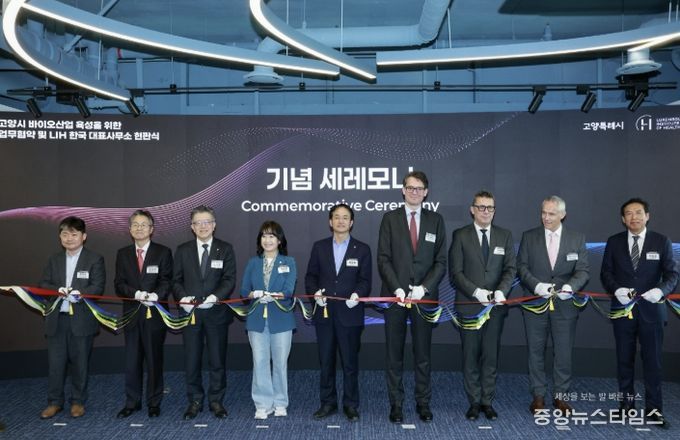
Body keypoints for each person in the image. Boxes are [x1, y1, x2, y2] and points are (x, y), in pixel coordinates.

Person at [601, 197, 678, 429]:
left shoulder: (661, 241)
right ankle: (626, 405)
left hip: (652, 311)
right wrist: (617, 290)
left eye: (638, 212)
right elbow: (606, 273)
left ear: (647, 216)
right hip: (623, 310)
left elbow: (672, 274)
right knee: (624, 360)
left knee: (653, 362)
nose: (633, 217)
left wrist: (660, 291)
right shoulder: (614, 242)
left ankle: (654, 410)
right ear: (623, 219)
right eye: (628, 213)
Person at [377, 170, 447, 423]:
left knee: (423, 354)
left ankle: (423, 403)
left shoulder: (436, 220)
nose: (414, 192)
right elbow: (383, 258)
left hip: (424, 298)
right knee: (394, 355)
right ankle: (396, 404)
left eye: (419, 188)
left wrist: (424, 288)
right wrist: (397, 288)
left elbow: (440, 261)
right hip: (395, 297)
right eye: (410, 187)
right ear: (403, 190)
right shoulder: (390, 219)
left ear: (426, 192)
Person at [517, 196, 589, 415]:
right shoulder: (529, 237)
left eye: (551, 213)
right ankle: (538, 395)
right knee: (535, 351)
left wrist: (570, 287)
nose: (546, 218)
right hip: (535, 303)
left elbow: (583, 270)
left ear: (563, 215)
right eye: (543, 213)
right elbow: (521, 267)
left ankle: (561, 396)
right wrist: (536, 285)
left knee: (563, 352)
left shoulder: (577, 238)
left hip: (565, 306)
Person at [448, 190, 516, 421]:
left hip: (495, 308)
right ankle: (474, 402)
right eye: (481, 207)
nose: (486, 211)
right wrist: (476, 292)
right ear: (472, 209)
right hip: (469, 305)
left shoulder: (505, 236)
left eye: (490, 208)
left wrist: (501, 291)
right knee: (470, 356)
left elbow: (510, 269)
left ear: (494, 211)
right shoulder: (460, 235)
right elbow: (455, 273)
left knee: (490, 355)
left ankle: (487, 401)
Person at [305, 204, 372, 422]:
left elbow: (365, 280)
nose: (341, 221)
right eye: (336, 217)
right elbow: (310, 277)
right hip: (324, 314)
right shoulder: (319, 247)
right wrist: (315, 293)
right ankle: (328, 403)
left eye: (345, 217)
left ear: (351, 223)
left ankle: (351, 405)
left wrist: (357, 294)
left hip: (350, 315)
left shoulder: (362, 249)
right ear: (330, 221)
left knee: (350, 363)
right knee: (326, 361)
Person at [38, 216, 106, 419]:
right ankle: (54, 402)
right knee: (55, 365)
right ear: (60, 237)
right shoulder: (54, 259)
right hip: (57, 320)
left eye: (74, 234)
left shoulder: (94, 259)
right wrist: (57, 290)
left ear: (83, 236)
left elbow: (97, 287)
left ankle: (78, 401)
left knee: (80, 364)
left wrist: (80, 293)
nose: (69, 238)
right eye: (65, 234)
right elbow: (43, 284)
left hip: (81, 320)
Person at [173, 205, 236, 420]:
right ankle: (195, 400)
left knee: (217, 360)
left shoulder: (225, 249)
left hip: (216, 313)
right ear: (192, 227)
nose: (203, 226)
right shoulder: (183, 250)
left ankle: (216, 400)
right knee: (192, 360)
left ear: (214, 225)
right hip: (190, 314)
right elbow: (176, 280)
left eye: (207, 222)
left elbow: (229, 279)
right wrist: (183, 298)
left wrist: (215, 297)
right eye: (198, 223)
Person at [114, 209, 173, 418]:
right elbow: (119, 284)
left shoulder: (163, 252)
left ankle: (154, 402)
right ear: (130, 229)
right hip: (131, 315)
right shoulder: (123, 253)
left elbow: (167, 280)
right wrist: (136, 294)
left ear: (151, 229)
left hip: (154, 315)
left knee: (154, 361)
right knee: (132, 361)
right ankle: (132, 402)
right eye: (135, 225)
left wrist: (156, 295)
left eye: (144, 225)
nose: (139, 228)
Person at [240, 221, 297, 420]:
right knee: (260, 362)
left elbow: (289, 290)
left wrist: (274, 296)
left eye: (272, 236)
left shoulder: (288, 262)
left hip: (281, 319)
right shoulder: (253, 263)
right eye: (264, 236)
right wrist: (255, 294)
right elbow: (244, 291)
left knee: (280, 363)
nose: (268, 240)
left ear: (279, 240)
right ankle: (263, 403)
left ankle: (280, 402)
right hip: (256, 320)